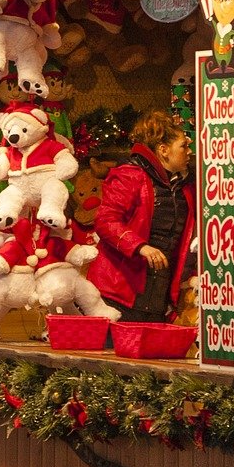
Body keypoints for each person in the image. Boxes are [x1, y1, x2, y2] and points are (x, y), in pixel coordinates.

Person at [87, 110, 196, 322]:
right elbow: (105, 220)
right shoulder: (130, 175)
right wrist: (139, 246)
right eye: (183, 146)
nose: (189, 152)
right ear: (164, 150)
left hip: (159, 294)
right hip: (120, 292)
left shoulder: (183, 186)